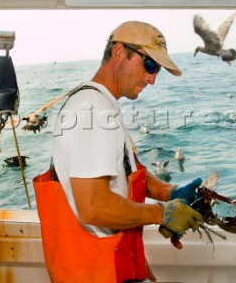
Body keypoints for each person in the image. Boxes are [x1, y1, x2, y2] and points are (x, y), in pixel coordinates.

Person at [33, 21, 204, 283]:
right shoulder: (92, 111)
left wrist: (169, 192)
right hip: (96, 271)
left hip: (111, 262)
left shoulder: (100, 105)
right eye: (150, 65)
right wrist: (163, 213)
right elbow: (94, 207)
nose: (153, 79)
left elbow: (123, 173)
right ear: (119, 53)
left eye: (157, 69)